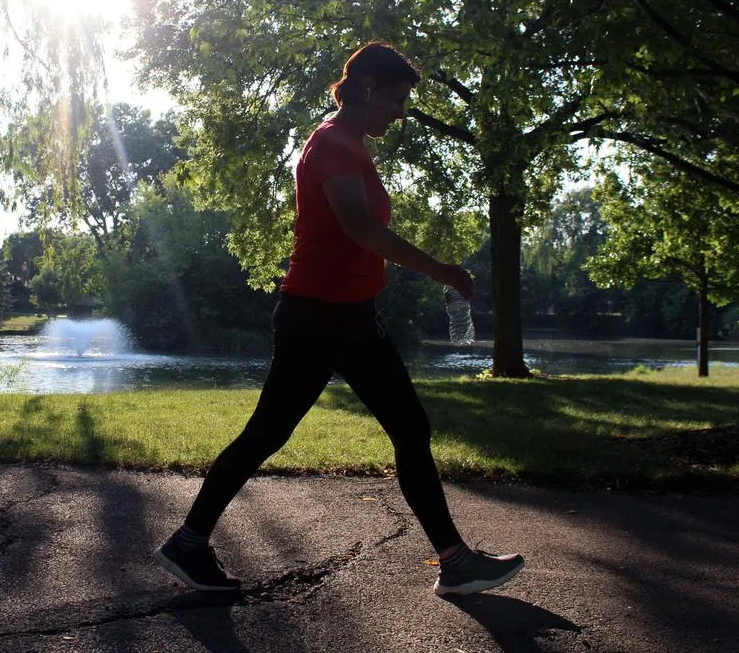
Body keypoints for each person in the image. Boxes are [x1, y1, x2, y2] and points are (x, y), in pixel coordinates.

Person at [153, 41, 524, 597]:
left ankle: (455, 560)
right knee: (267, 434)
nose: (402, 114)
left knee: (409, 427)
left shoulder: (350, 144)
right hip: (317, 317)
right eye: (397, 100)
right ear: (369, 87)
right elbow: (360, 228)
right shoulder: (331, 146)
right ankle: (187, 543)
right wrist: (440, 270)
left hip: (352, 318)